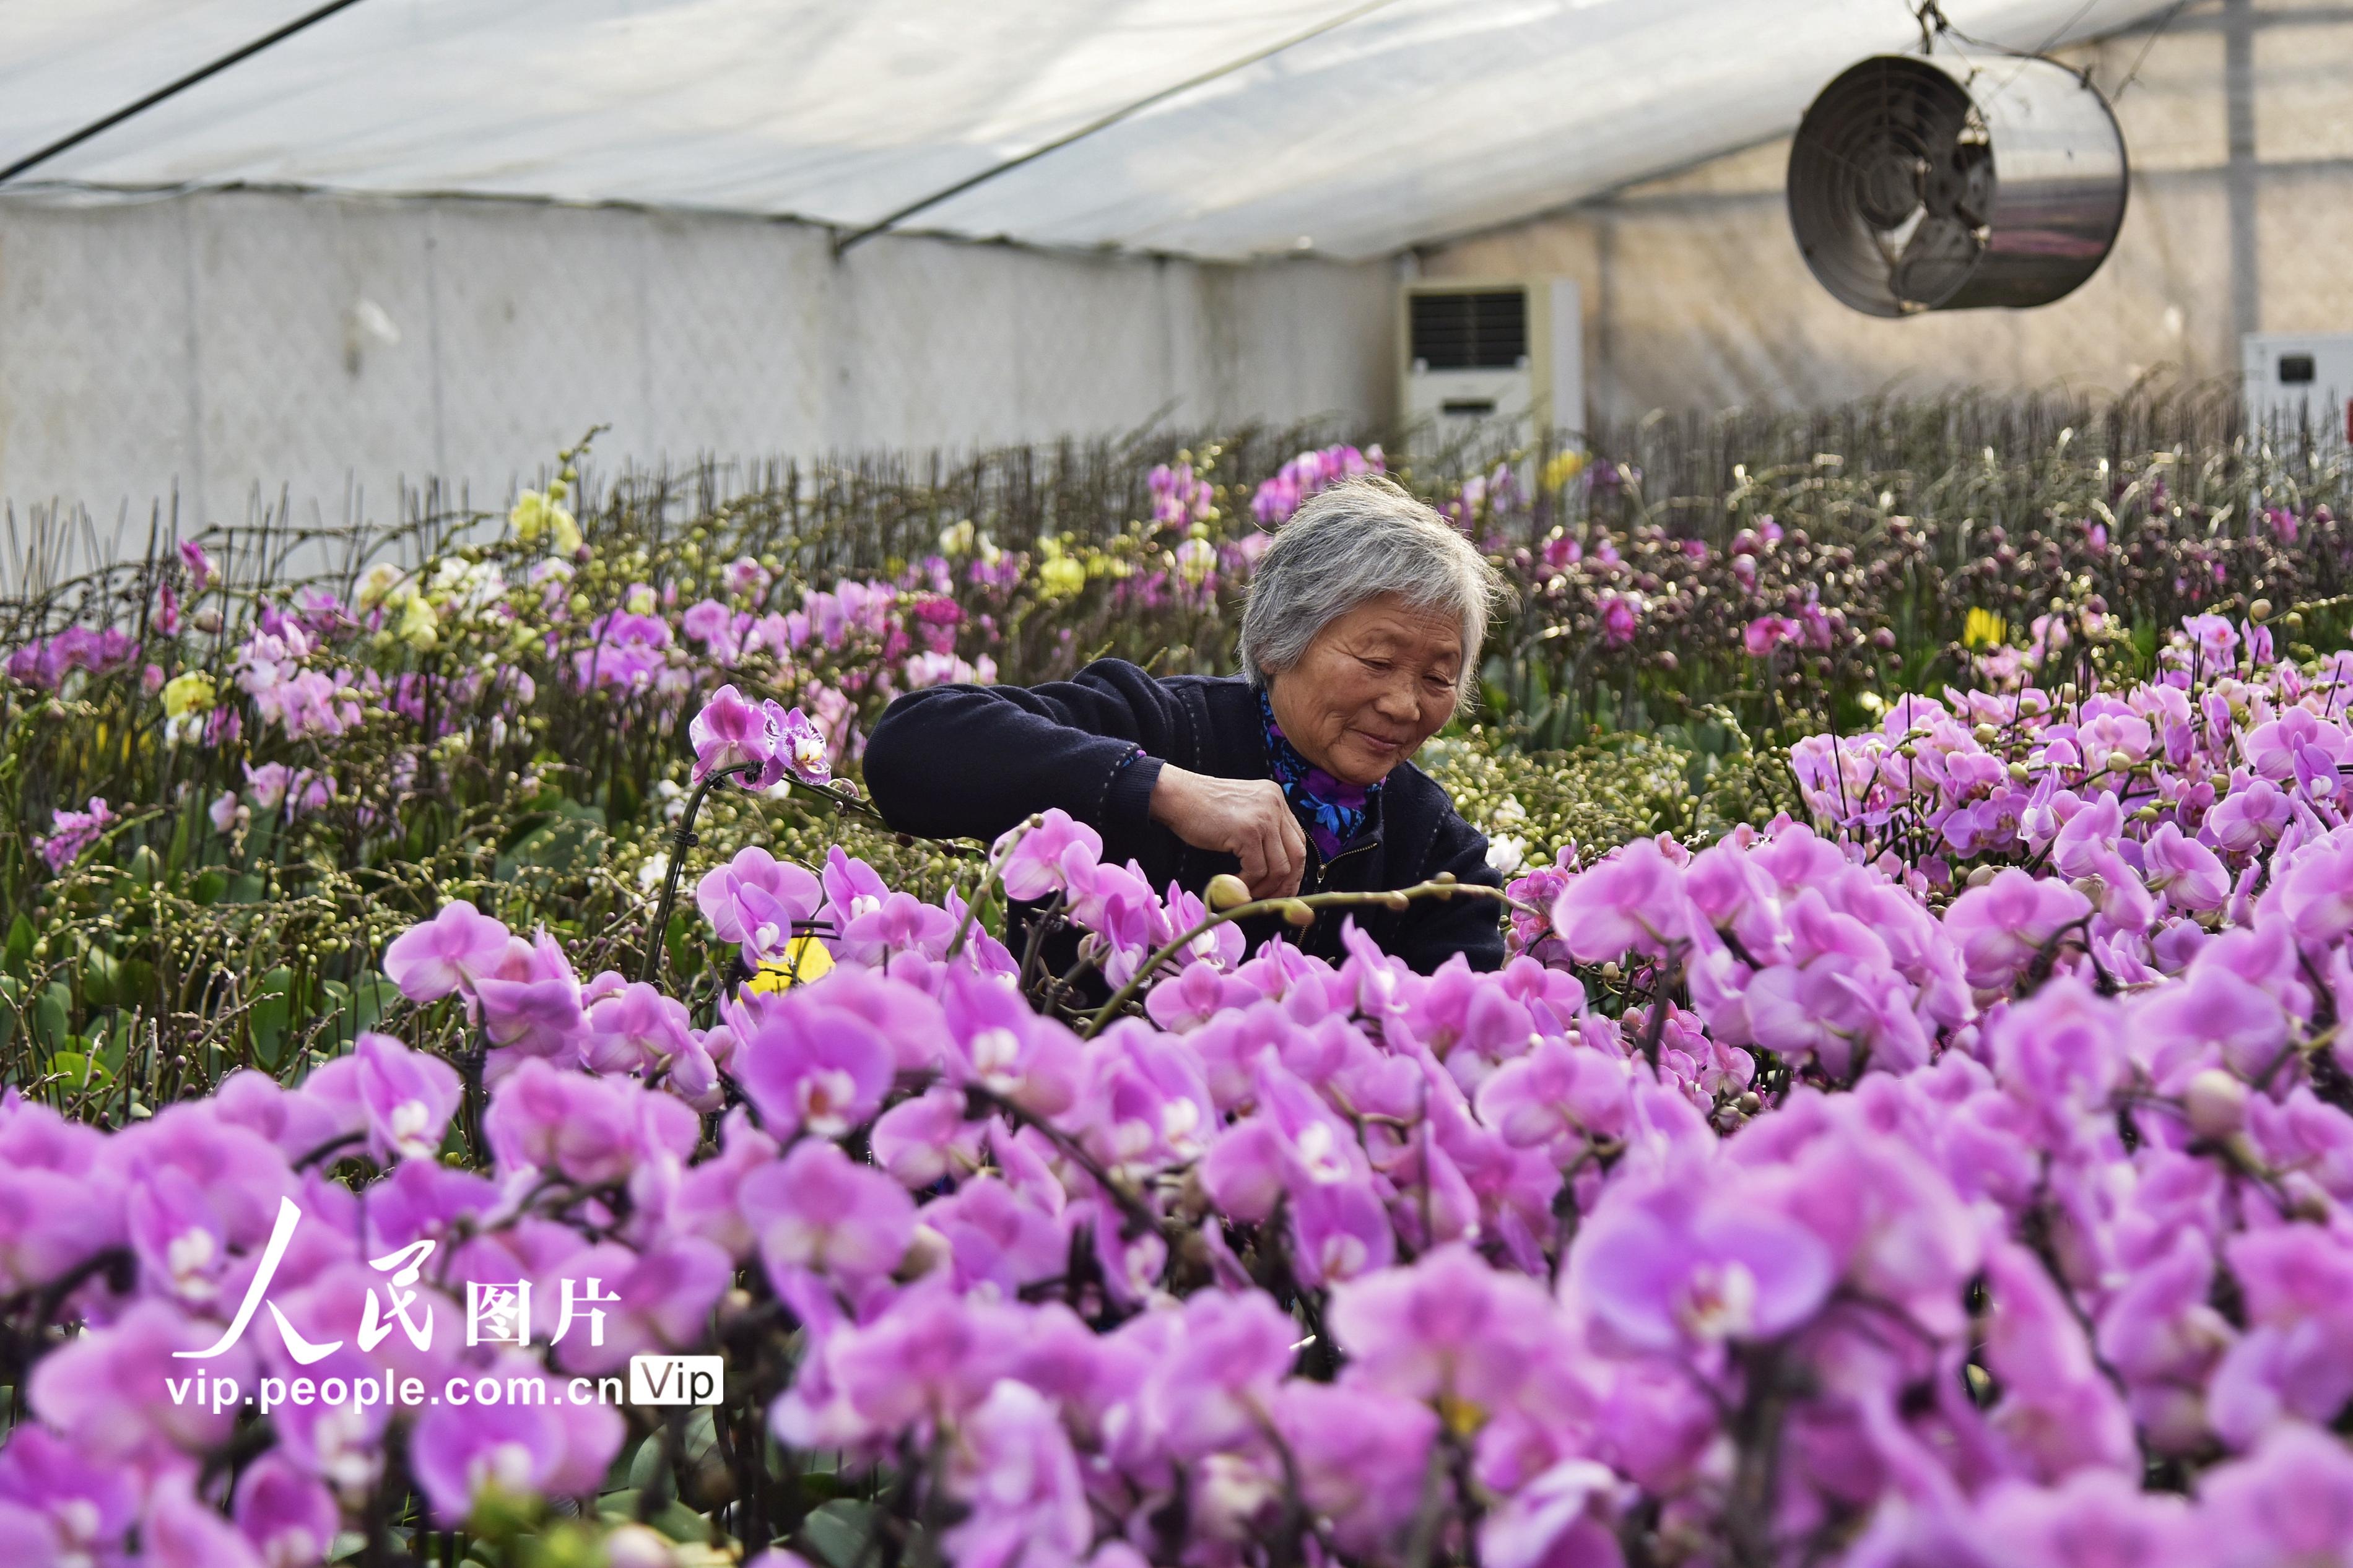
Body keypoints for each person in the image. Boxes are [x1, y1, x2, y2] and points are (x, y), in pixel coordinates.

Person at [863, 475, 1513, 973]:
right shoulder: (1162, 726)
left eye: (1436, 678)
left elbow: (1455, 1058)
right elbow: (908, 747)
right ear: (1275, 641)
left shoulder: (1436, 854)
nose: (1405, 704)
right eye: (1376, 660)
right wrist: (1160, 788)